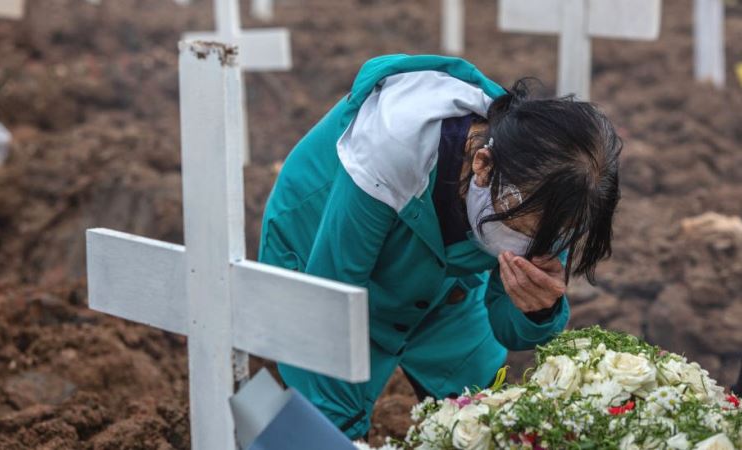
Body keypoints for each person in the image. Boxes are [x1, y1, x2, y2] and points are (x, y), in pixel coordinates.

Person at [258, 54, 622, 439]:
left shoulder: (553, 201)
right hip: (323, 253)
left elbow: (509, 330)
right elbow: (330, 296)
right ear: (483, 163)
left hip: (444, 285)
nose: (528, 247)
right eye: (517, 227)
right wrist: (340, 431)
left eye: (552, 238)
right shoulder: (396, 143)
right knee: (326, 425)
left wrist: (539, 310)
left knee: (484, 423)